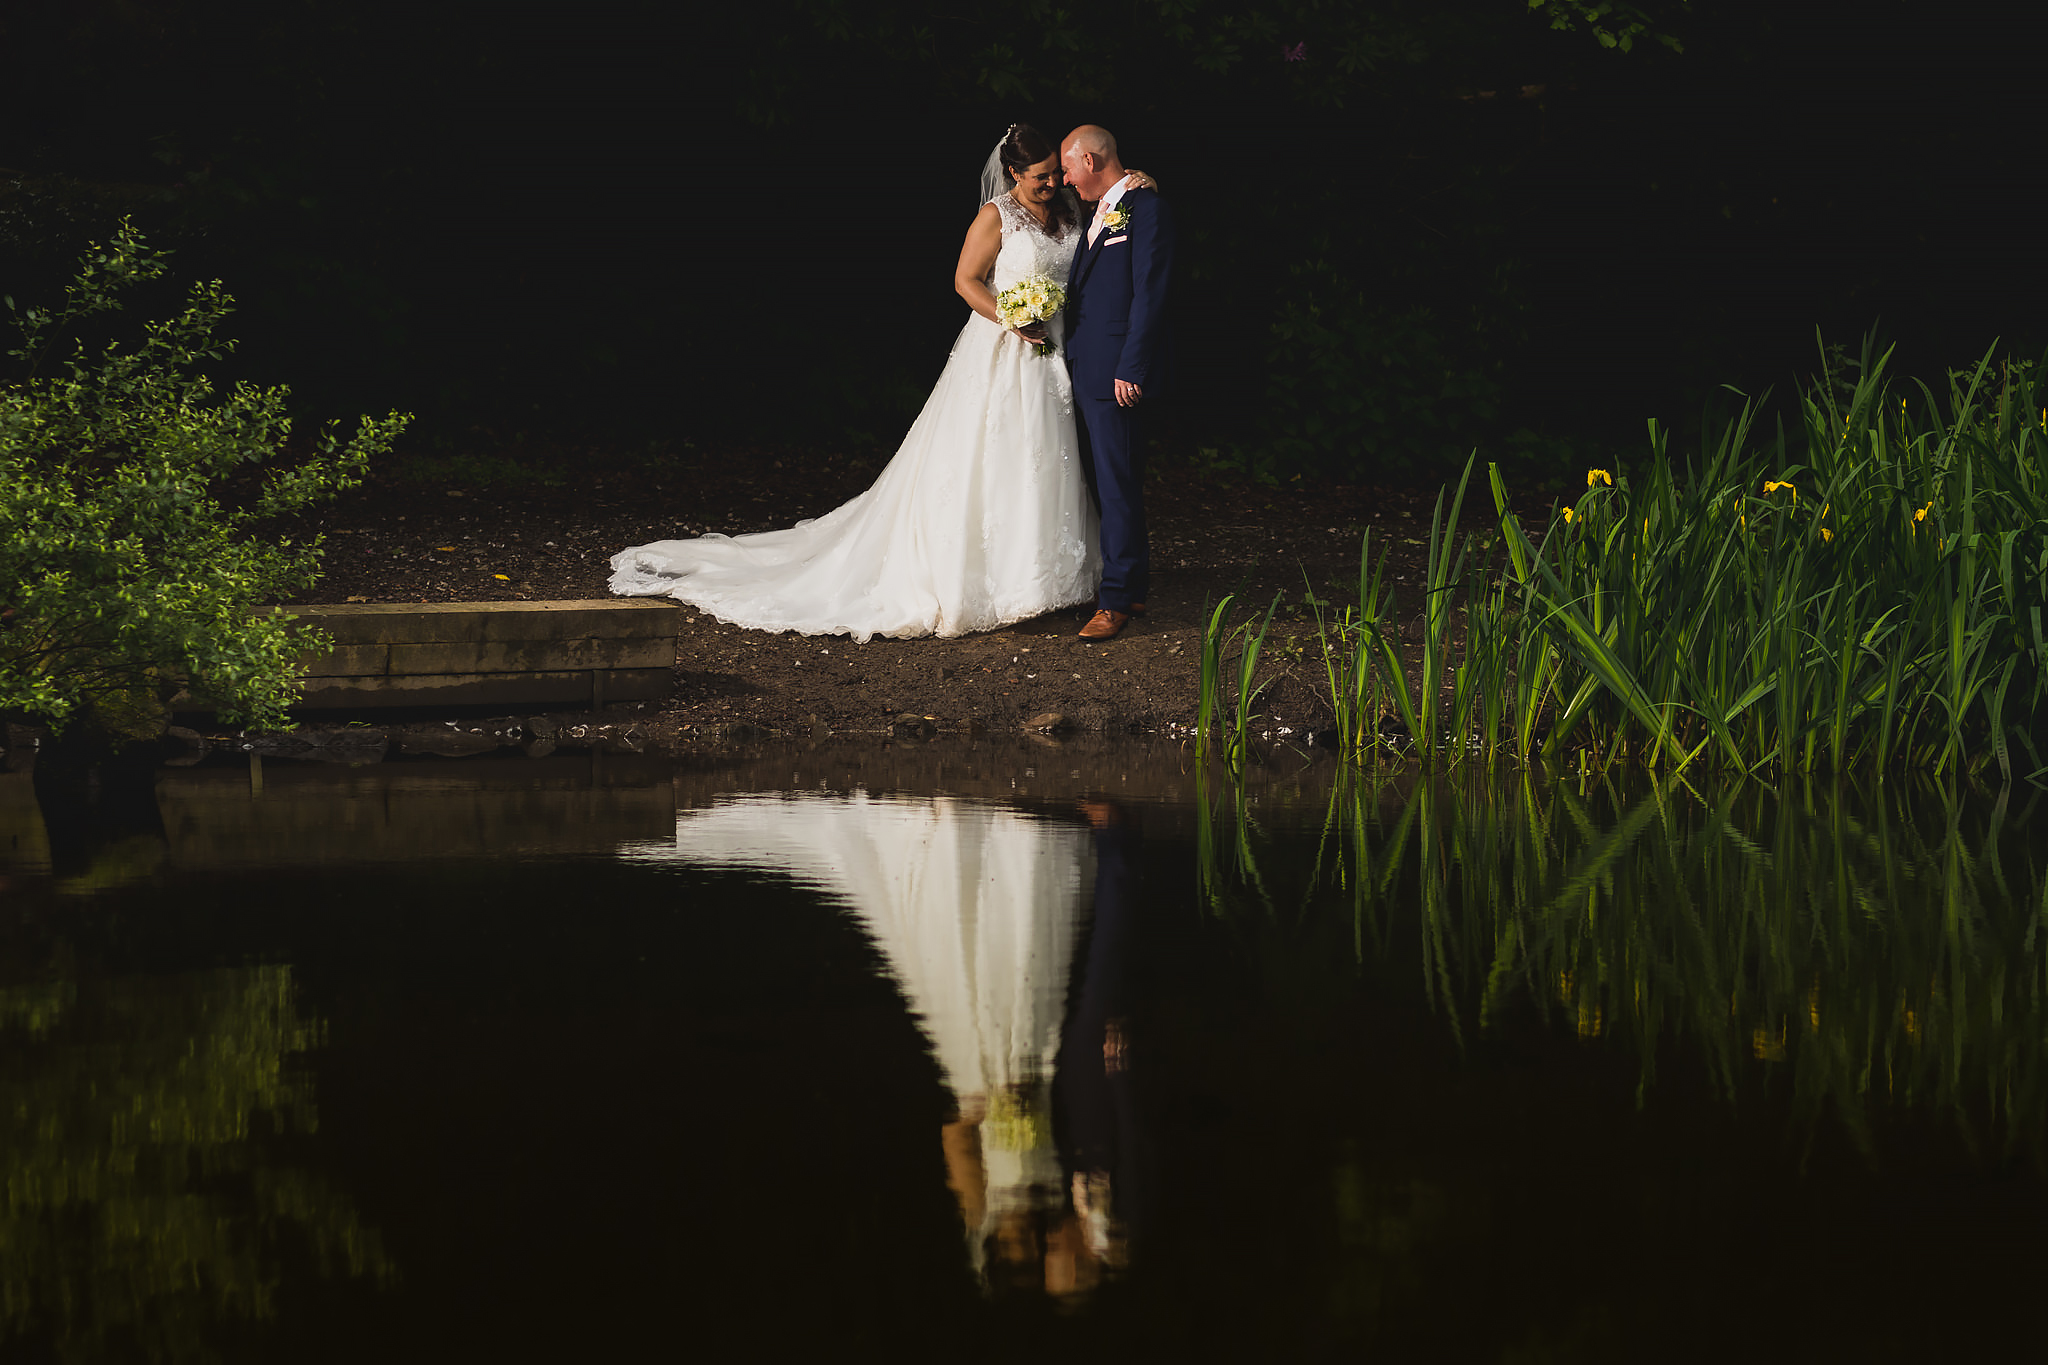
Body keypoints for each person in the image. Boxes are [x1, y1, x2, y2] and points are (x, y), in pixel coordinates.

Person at [608, 126, 1154, 643]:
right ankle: (995, 580)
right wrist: (1012, 318)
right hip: (1005, 346)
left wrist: (1139, 180)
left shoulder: (1067, 207)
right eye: (1040, 176)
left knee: (1049, 457)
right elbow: (965, 281)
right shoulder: (997, 216)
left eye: (1055, 174)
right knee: (995, 456)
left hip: (1057, 348)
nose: (1052, 183)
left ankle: (1053, 576)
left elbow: (1110, 208)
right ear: (1013, 174)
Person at [1061, 125, 1175, 641]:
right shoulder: (1100, 209)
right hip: (1086, 364)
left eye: (1067, 167)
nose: (1064, 178)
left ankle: (1114, 602)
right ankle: (1133, 586)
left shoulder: (1145, 209)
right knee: (1114, 480)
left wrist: (1132, 366)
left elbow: (1149, 293)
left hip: (1116, 371)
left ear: (1089, 159)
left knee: (1117, 482)